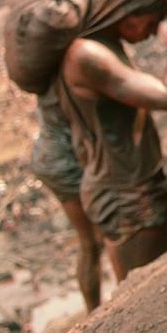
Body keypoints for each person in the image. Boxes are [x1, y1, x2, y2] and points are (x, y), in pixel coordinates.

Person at [57, 0, 167, 280]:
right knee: (144, 294)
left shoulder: (105, 45)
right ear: (127, 13)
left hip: (133, 188)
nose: (153, 31)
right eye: (151, 21)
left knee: (149, 288)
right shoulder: (87, 54)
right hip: (126, 196)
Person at [29, 90, 102, 310]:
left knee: (90, 244)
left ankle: (94, 311)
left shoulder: (42, 71)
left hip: (51, 153)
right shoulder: (70, 70)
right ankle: (101, 312)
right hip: (67, 156)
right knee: (98, 240)